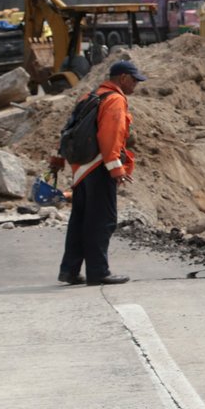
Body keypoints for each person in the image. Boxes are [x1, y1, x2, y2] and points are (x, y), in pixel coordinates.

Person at [54, 60, 144, 286]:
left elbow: (68, 129)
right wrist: (116, 169)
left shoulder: (90, 96)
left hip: (80, 168)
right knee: (102, 221)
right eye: (134, 80)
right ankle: (98, 272)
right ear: (122, 78)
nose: (135, 85)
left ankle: (69, 270)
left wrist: (59, 160)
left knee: (80, 220)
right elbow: (110, 137)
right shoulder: (115, 100)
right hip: (99, 167)